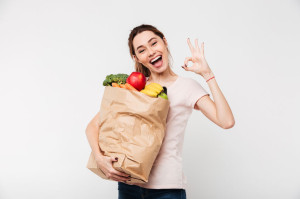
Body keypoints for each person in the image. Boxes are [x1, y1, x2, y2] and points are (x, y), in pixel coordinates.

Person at [85, 24, 235, 199]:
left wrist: (207, 74)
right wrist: (100, 158)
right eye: (141, 50)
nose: (150, 52)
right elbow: (92, 126)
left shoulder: (187, 87)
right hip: (129, 185)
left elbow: (226, 121)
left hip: (167, 189)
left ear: (164, 42)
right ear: (137, 58)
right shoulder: (134, 87)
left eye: (154, 43)